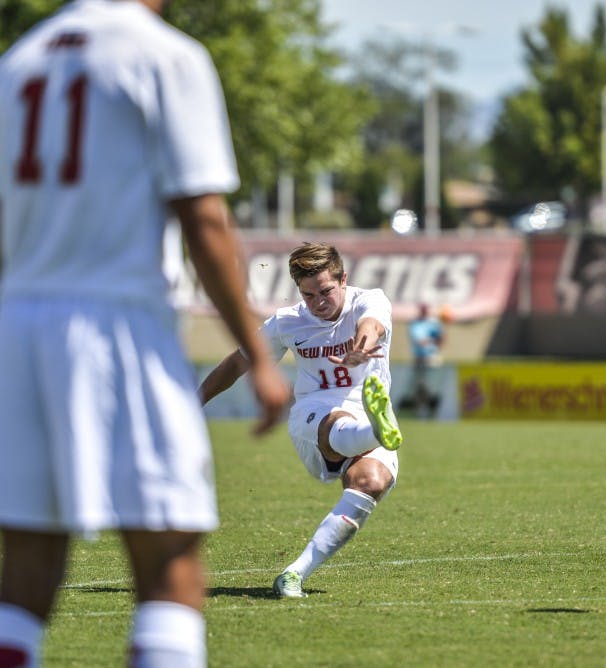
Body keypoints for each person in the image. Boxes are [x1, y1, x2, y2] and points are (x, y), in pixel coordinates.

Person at [0, 1, 290, 666]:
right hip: (119, 321)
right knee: (171, 569)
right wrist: (258, 356)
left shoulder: (18, 62)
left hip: (19, 323)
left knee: (24, 577)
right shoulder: (166, 56)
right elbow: (204, 219)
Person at [198, 242, 403, 599]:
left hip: (364, 407)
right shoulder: (287, 322)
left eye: (326, 291)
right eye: (309, 296)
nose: (319, 302)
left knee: (370, 481)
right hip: (314, 414)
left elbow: (373, 326)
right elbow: (237, 363)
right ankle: (377, 429)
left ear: (343, 279)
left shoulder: (370, 300)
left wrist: (360, 345)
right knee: (336, 421)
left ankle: (293, 575)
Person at [408, 302, 446, 418]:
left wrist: (433, 345)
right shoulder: (415, 323)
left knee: (432, 386)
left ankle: (432, 409)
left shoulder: (434, 323)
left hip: (432, 358)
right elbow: (417, 340)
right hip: (419, 358)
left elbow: (441, 338)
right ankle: (420, 410)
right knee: (420, 385)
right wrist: (428, 341)